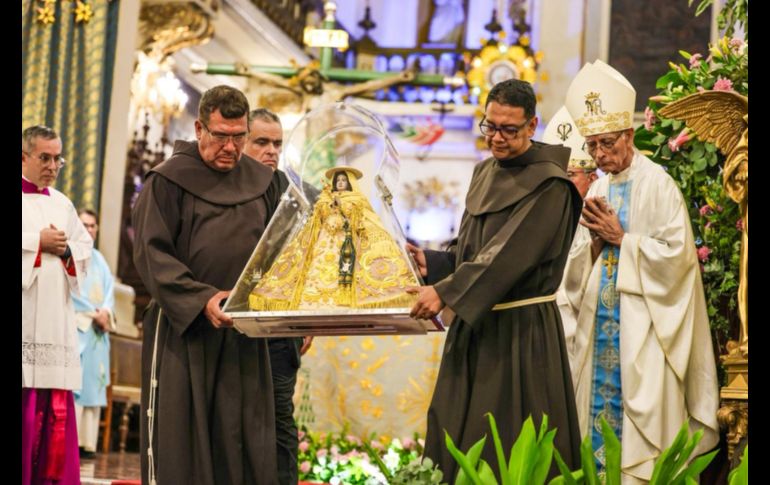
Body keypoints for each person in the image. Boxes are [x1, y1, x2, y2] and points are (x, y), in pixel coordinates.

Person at [407, 79, 583, 481]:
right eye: (490, 126)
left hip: (521, 333)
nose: (497, 138)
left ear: (532, 125)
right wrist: (432, 263)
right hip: (476, 325)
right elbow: (473, 248)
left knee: (504, 436)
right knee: (456, 425)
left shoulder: (550, 185)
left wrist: (446, 292)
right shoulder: (484, 171)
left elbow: (508, 256)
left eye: (509, 129)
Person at [560, 60, 719, 482]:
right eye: (592, 145)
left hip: (645, 332)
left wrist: (624, 240)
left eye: (607, 143)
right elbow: (576, 267)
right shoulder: (597, 187)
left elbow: (678, 261)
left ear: (629, 136)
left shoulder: (659, 184)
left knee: (641, 443)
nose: (599, 154)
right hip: (598, 328)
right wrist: (595, 247)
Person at [132, 85, 282, 485]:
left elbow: (281, 246)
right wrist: (202, 299)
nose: (231, 148)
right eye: (220, 136)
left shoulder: (265, 182)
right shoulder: (167, 181)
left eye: (239, 137)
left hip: (243, 331)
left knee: (241, 439)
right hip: (184, 330)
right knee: (183, 442)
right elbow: (151, 253)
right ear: (199, 128)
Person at [243, 108, 313, 485]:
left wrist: (307, 317)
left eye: (277, 143)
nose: (271, 150)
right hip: (234, 323)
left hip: (281, 326)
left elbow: (308, 257)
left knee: (279, 418)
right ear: (242, 142)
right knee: (236, 418)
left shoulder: (293, 192)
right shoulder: (226, 187)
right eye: (262, 142)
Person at [22, 125, 93, 484]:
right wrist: (37, 242)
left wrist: (65, 251)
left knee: (53, 408)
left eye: (58, 159)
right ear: (24, 157)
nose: (52, 166)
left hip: (54, 321)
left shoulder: (63, 203)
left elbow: (84, 248)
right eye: (45, 158)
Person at [249, 166, 419, 311]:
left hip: (347, 243)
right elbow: (318, 216)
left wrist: (341, 206)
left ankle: (345, 299)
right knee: (316, 269)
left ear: (350, 183)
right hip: (325, 242)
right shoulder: (325, 198)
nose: (340, 183)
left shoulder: (357, 200)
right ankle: (311, 300)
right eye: (338, 181)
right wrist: (327, 204)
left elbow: (359, 219)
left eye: (344, 181)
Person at [542, 106, 599, 361]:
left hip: (582, 323)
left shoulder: (598, 218)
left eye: (570, 175)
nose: (561, 183)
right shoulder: (542, 216)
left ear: (592, 178)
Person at [71, 208, 116, 459]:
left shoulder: (100, 260)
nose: (88, 229)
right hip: (80, 328)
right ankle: (72, 442)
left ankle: (88, 443)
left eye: (92, 226)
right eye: (84, 224)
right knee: (78, 386)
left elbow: (109, 292)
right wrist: (94, 314)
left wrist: (106, 312)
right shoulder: (72, 256)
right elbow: (71, 293)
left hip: (97, 334)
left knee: (94, 385)